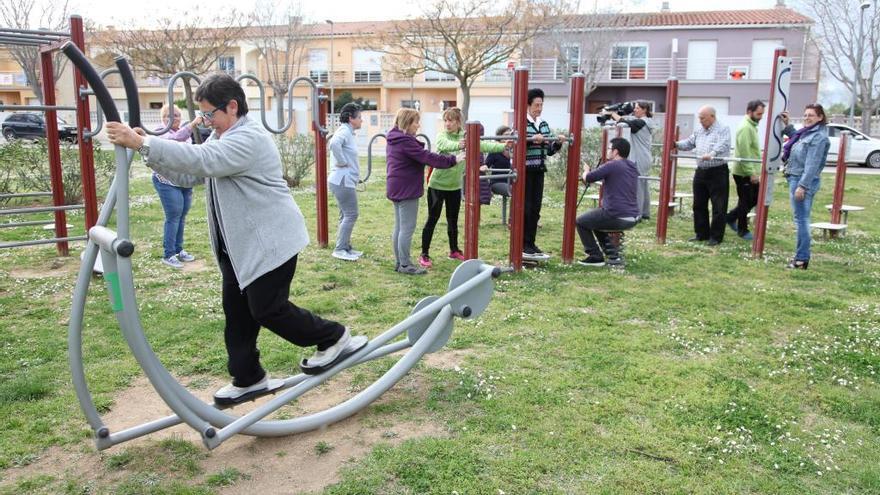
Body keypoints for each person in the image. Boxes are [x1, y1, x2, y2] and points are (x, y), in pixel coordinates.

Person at [105, 73, 368, 405]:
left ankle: (334, 337)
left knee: (268, 310)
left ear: (232, 106)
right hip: (240, 246)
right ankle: (248, 377)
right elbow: (190, 173)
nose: (206, 122)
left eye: (209, 114)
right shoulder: (222, 136)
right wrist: (148, 151)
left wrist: (144, 143)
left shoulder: (249, 138)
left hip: (272, 242)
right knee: (237, 313)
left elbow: (204, 160)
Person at [418, 108, 505, 268]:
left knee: (453, 220)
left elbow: (482, 145)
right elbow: (444, 144)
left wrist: (502, 147)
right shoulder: (442, 136)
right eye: (445, 120)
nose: (447, 124)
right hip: (437, 186)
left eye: (451, 120)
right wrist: (459, 144)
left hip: (454, 187)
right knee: (433, 219)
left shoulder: (466, 136)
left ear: (459, 122)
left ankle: (454, 250)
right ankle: (424, 254)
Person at [385, 108, 457, 275]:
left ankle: (399, 262)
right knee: (407, 228)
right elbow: (427, 157)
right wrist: (453, 159)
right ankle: (404, 264)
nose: (418, 125)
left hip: (396, 186)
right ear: (407, 123)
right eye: (416, 122)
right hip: (406, 189)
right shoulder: (405, 141)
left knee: (399, 227)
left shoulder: (395, 138)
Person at [152, 104, 203, 269]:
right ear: (163, 118)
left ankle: (179, 249)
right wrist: (193, 124)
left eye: (177, 115)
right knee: (173, 216)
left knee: (181, 216)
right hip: (166, 181)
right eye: (169, 116)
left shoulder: (183, 132)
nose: (174, 118)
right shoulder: (160, 131)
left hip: (183, 179)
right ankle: (169, 254)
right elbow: (174, 143)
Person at [576, 137, 640, 267]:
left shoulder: (612, 165)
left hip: (616, 215)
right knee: (594, 220)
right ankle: (613, 256)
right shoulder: (631, 166)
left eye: (609, 149)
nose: (607, 151)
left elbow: (589, 178)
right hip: (633, 216)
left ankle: (595, 256)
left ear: (615, 152)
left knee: (581, 221)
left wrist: (586, 170)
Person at [781, 103, 830, 270]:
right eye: (805, 114)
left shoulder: (819, 137)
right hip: (796, 178)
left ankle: (801, 259)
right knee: (801, 219)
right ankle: (801, 257)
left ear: (820, 117)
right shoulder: (806, 133)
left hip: (802, 181)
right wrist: (788, 126)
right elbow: (797, 140)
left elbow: (812, 165)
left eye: (811, 115)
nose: (807, 118)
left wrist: (802, 186)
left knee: (802, 220)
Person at [676, 106, 731, 246]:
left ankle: (716, 237)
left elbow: (723, 145)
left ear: (712, 116)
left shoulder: (723, 129)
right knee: (698, 204)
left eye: (703, 118)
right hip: (701, 170)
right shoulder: (699, 130)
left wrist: (712, 154)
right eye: (699, 118)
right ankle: (701, 234)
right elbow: (689, 143)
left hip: (718, 171)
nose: (700, 121)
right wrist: (675, 144)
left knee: (718, 205)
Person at [523, 88, 567, 258]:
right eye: (536, 105)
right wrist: (532, 139)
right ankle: (522, 243)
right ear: (528, 105)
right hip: (526, 170)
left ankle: (531, 243)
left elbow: (548, 150)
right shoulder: (522, 123)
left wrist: (557, 143)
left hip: (539, 170)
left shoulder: (543, 124)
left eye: (541, 105)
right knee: (525, 209)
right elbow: (517, 145)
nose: (539, 108)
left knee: (535, 209)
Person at [608, 100, 656, 220]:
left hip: (640, 157)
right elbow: (628, 120)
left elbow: (627, 123)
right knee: (643, 185)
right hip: (645, 157)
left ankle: (637, 214)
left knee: (638, 185)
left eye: (637, 108)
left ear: (645, 110)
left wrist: (612, 114)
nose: (634, 110)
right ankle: (645, 212)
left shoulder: (641, 122)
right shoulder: (646, 122)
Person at [328, 102, 364, 262]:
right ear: (351, 118)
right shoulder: (344, 131)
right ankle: (340, 249)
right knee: (351, 214)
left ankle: (345, 247)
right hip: (342, 180)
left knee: (345, 215)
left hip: (343, 180)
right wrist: (342, 162)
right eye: (360, 117)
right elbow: (334, 144)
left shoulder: (348, 132)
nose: (362, 120)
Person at [725, 100, 765, 240]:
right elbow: (744, 152)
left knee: (753, 198)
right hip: (744, 172)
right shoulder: (746, 128)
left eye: (762, 114)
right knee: (746, 200)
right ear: (750, 111)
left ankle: (730, 217)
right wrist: (751, 173)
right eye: (759, 114)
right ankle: (742, 229)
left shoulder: (751, 126)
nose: (761, 117)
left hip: (748, 171)